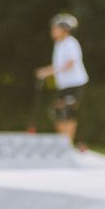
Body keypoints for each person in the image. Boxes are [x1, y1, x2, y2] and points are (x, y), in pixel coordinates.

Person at [34, 13, 89, 146]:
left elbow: (69, 64)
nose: (52, 31)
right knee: (57, 112)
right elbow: (58, 65)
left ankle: (68, 144)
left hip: (75, 83)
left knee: (67, 112)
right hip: (64, 85)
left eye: (55, 28)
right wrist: (45, 71)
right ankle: (62, 143)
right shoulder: (59, 45)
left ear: (65, 29)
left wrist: (48, 72)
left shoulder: (70, 43)